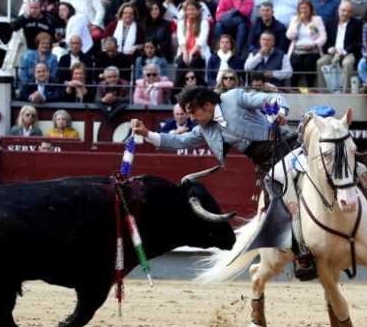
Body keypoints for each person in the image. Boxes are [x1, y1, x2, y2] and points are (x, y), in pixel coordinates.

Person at [129, 86, 323, 277]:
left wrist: (280, 112)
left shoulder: (234, 98)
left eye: (192, 112)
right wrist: (147, 134)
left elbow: (270, 99)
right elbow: (180, 141)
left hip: (288, 146)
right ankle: (302, 254)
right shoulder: (206, 129)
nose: (191, 117)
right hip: (266, 164)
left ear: (206, 105)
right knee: (277, 207)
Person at [316, 0, 363, 92]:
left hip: (348, 53)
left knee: (347, 63)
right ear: (338, 10)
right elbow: (326, 41)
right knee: (321, 62)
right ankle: (323, 92)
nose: (345, 13)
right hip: (332, 54)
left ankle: (344, 92)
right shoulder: (330, 23)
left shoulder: (357, 24)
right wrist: (329, 49)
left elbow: (357, 42)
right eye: (343, 10)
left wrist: (344, 51)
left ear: (351, 13)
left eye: (348, 11)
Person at [286, 0, 326, 88]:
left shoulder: (317, 20)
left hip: (313, 50)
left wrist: (314, 44)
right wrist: (298, 23)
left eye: (306, 8)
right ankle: (293, 88)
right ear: (298, 10)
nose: (304, 10)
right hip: (297, 50)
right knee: (295, 63)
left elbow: (323, 37)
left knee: (309, 62)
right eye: (301, 8)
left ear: (310, 9)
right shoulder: (294, 20)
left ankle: (310, 87)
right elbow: (289, 36)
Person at [176, 0, 211, 70]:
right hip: (184, 50)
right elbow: (181, 39)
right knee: (181, 62)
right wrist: (185, 53)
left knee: (194, 62)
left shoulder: (204, 23)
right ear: (185, 11)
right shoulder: (181, 22)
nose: (190, 12)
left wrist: (191, 53)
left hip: (199, 52)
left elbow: (201, 40)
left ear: (198, 11)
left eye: (193, 9)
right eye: (188, 10)